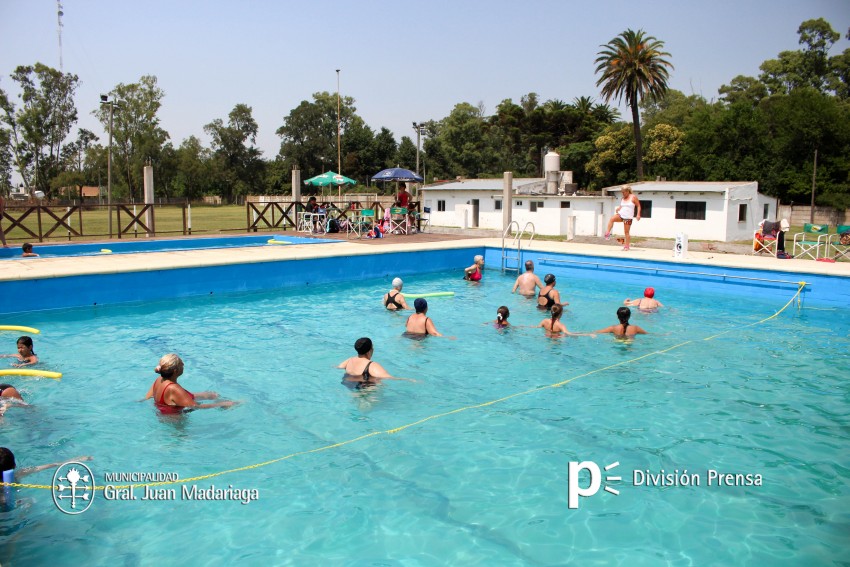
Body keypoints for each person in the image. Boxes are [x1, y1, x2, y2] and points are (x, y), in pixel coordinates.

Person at [144, 354, 238, 413]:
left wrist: (207, 395)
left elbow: (147, 398)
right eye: (181, 364)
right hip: (174, 419)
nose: (183, 365)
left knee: (211, 395)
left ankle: (212, 396)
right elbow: (196, 406)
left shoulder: (159, 379)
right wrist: (221, 404)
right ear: (176, 371)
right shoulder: (174, 388)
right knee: (232, 403)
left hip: (168, 408)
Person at [338, 337, 414, 390]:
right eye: (372, 348)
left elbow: (338, 367)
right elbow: (388, 378)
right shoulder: (371, 365)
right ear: (369, 351)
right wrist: (408, 380)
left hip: (347, 384)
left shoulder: (349, 360)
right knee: (379, 383)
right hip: (362, 388)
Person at [1, 447, 93, 484]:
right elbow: (53, 465)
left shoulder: (19, 474)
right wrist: (78, 459)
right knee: (30, 502)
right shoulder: (19, 474)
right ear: (14, 465)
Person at [604, 185, 641, 251]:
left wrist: (638, 214)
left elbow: (638, 206)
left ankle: (627, 246)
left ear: (627, 191)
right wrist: (618, 209)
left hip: (628, 217)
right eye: (622, 192)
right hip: (621, 215)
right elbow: (622, 206)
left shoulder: (633, 197)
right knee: (612, 219)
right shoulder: (622, 198)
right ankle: (608, 233)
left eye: (623, 192)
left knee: (626, 232)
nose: (622, 193)